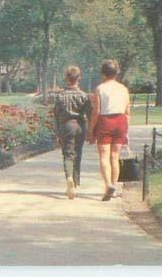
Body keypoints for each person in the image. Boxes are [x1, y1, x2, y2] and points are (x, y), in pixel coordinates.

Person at [88, 59, 131, 201]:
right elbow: (127, 111)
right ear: (116, 73)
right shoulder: (123, 89)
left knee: (104, 157)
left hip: (105, 122)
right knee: (115, 156)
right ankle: (114, 185)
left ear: (103, 73)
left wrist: (91, 129)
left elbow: (96, 111)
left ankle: (108, 185)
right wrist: (126, 131)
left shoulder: (100, 88)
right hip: (120, 121)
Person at [52, 66, 93, 199]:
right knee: (78, 154)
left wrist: (57, 133)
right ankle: (75, 183)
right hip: (80, 125)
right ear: (79, 79)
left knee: (68, 155)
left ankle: (69, 178)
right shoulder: (84, 95)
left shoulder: (60, 96)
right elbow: (90, 114)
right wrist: (91, 131)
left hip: (66, 126)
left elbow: (56, 115)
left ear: (66, 79)